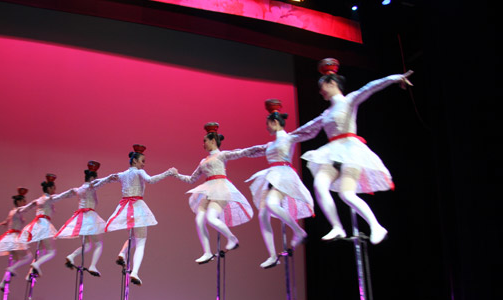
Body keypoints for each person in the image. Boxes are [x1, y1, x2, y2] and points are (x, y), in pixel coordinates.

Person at [300, 58, 413, 244]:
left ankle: (376, 226)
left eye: (322, 87)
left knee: (346, 194)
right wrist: (284, 139)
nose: (320, 92)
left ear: (332, 83)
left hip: (351, 151)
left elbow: (370, 87)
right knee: (319, 185)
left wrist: (395, 78)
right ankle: (337, 227)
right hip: (331, 154)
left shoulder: (349, 100)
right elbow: (307, 130)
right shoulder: (326, 114)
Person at [175, 122, 266, 263]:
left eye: (205, 141)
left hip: (221, 189)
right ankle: (207, 252)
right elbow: (191, 179)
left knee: (211, 218)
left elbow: (240, 152)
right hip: (208, 190)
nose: (203, 144)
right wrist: (176, 175)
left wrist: (260, 148)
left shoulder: (221, 155)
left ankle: (232, 239)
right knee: (199, 220)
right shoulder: (203, 161)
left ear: (213, 141)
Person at [245, 100, 315, 268]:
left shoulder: (289, 138)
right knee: (263, 215)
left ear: (275, 122)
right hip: (271, 176)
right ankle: (272, 256)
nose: (267, 128)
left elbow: (309, 132)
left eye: (268, 124)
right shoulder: (270, 144)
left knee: (271, 204)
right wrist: (234, 154)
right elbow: (252, 151)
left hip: (283, 175)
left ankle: (298, 231)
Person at [104, 145, 176, 286]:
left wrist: (94, 183)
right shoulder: (139, 172)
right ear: (135, 161)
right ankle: (135, 272)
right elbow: (151, 180)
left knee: (134, 237)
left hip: (126, 209)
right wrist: (168, 173)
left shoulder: (122, 174)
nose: (144, 164)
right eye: (142, 161)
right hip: (137, 208)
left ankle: (122, 253)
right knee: (141, 241)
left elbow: (107, 179)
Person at [55, 161, 117, 277]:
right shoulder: (90, 187)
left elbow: (63, 195)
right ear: (92, 178)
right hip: (89, 217)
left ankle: (71, 256)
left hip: (80, 219)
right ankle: (93, 266)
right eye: (95, 178)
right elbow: (101, 182)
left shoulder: (78, 189)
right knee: (98, 244)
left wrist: (53, 198)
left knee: (87, 245)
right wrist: (110, 178)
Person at [19, 173, 75, 277]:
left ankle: (30, 272)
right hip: (44, 225)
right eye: (53, 188)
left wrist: (18, 210)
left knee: (41, 252)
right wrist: (71, 191)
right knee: (51, 252)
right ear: (49, 188)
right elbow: (61, 196)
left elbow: (25, 209)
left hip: (36, 225)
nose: (54, 190)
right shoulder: (49, 198)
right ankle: (36, 264)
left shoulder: (38, 200)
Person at [0, 187, 33, 289]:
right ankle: (11, 269)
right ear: (19, 202)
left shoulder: (12, 211)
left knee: (14, 262)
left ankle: (3, 282)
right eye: (24, 201)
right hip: (14, 237)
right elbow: (26, 208)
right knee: (28, 257)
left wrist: (4, 222)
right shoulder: (18, 210)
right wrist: (34, 204)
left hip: (10, 237)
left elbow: (8, 220)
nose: (25, 203)